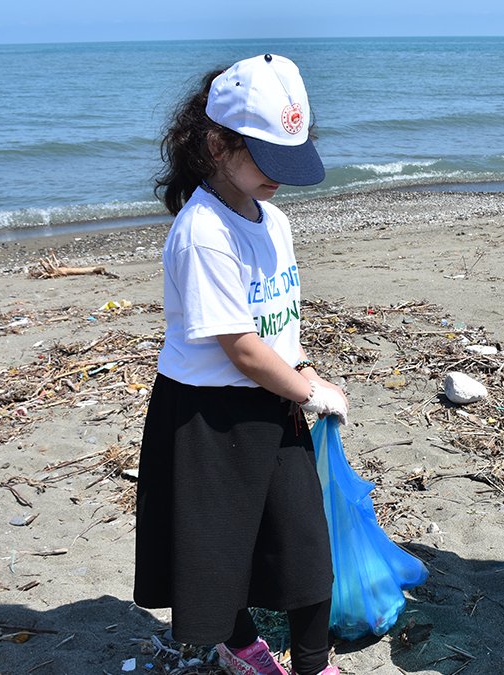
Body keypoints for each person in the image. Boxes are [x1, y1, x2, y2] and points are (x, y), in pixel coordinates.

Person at [134, 53, 347, 675]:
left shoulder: (272, 219)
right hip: (207, 414)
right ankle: (243, 644)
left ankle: (314, 663)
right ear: (216, 145)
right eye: (267, 159)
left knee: (305, 542)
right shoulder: (203, 232)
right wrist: (310, 392)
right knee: (216, 551)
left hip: (274, 396)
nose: (280, 176)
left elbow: (279, 321)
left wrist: (300, 370)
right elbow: (241, 347)